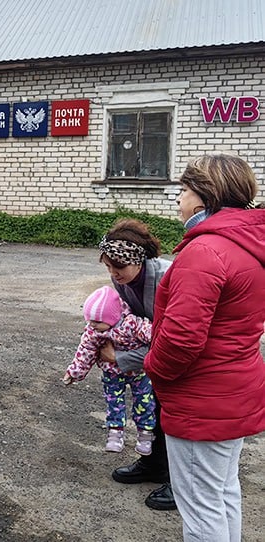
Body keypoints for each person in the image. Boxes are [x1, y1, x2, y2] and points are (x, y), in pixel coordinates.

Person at [144, 153, 265, 542]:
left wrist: (153, 368)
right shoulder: (247, 244)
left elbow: (181, 337)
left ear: (203, 195)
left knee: (199, 505)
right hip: (233, 391)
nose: (178, 199)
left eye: (183, 190)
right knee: (222, 492)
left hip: (202, 399)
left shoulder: (206, 251)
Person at [96, 218, 175, 510]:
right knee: (152, 407)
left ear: (139, 260)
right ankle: (154, 464)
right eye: (108, 267)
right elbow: (125, 323)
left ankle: (180, 482)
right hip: (150, 356)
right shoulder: (123, 281)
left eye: (119, 266)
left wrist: (120, 358)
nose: (113, 274)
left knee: (174, 416)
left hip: (178, 357)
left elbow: (169, 340)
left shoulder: (167, 277)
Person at [63, 286, 155, 454]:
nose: (92, 325)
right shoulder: (94, 332)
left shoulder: (132, 324)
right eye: (89, 320)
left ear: (112, 317)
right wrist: (74, 372)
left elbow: (154, 335)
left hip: (138, 372)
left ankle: (145, 434)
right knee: (114, 402)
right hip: (112, 373)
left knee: (145, 402)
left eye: (97, 322)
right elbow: (85, 351)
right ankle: (115, 433)